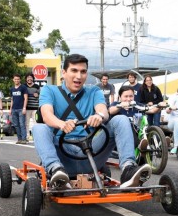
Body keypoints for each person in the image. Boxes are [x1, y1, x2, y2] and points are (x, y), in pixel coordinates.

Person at [31, 53, 151, 188]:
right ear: (64, 73)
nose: (79, 76)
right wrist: (62, 124)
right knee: (39, 128)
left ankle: (128, 169)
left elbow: (103, 110)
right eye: (74, 71)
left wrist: (99, 116)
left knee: (120, 119)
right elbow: (47, 115)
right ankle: (55, 171)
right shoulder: (49, 90)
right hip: (62, 156)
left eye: (83, 71)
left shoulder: (94, 91)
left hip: (91, 154)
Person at [9, 74, 28, 144]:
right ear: (13, 80)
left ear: (20, 80)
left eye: (18, 79)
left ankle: (24, 139)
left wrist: (24, 108)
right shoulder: (12, 89)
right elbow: (12, 100)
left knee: (22, 124)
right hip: (14, 109)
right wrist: (10, 109)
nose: (16, 80)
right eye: (15, 79)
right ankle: (19, 139)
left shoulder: (23, 87)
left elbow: (26, 98)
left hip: (21, 109)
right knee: (16, 125)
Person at [23, 73, 40, 140]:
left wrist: (38, 95)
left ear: (33, 79)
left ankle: (35, 136)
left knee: (35, 123)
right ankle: (27, 136)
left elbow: (41, 95)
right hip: (26, 108)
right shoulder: (23, 86)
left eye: (31, 77)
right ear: (26, 79)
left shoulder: (36, 86)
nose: (29, 79)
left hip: (35, 108)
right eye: (28, 77)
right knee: (26, 123)